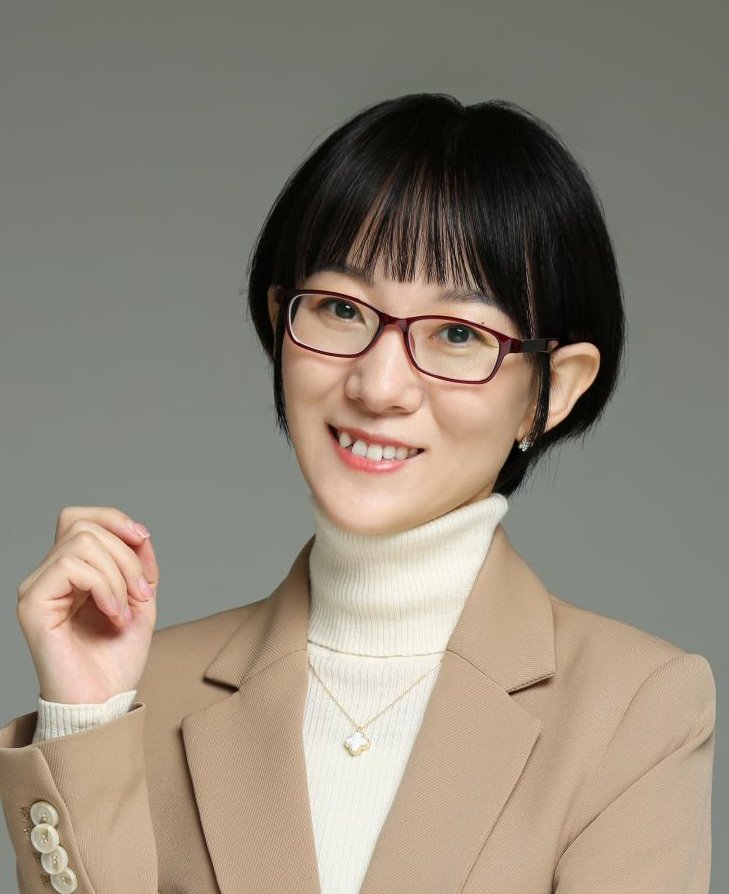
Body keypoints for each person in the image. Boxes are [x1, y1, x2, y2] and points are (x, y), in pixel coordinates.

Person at [0, 93, 715, 894]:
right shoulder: (141, 696)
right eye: (341, 309)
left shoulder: (632, 706)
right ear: (281, 322)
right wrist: (87, 719)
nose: (378, 386)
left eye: (457, 333)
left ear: (553, 391)